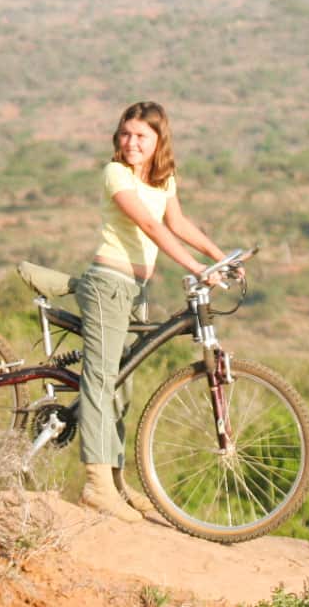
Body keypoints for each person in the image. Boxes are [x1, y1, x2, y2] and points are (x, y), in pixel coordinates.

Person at [76, 101, 234, 523]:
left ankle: (117, 483)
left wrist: (220, 257)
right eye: (126, 134)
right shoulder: (116, 174)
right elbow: (151, 226)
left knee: (122, 388)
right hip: (108, 283)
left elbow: (177, 223)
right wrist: (198, 268)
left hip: (134, 290)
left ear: (158, 141)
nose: (131, 143)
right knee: (101, 377)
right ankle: (96, 486)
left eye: (141, 136)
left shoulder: (164, 181)